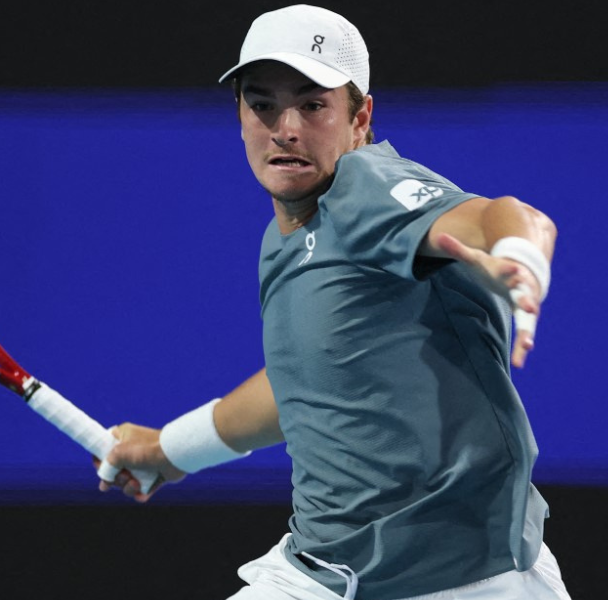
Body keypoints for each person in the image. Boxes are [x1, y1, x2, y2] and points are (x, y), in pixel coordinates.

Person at [97, 5, 570, 599]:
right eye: (262, 104)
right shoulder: (287, 237)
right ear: (239, 115)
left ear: (360, 118)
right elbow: (303, 381)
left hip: (468, 581)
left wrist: (520, 256)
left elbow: (506, 217)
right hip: (324, 571)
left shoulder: (364, 189)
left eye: (313, 105)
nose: (285, 128)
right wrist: (171, 449)